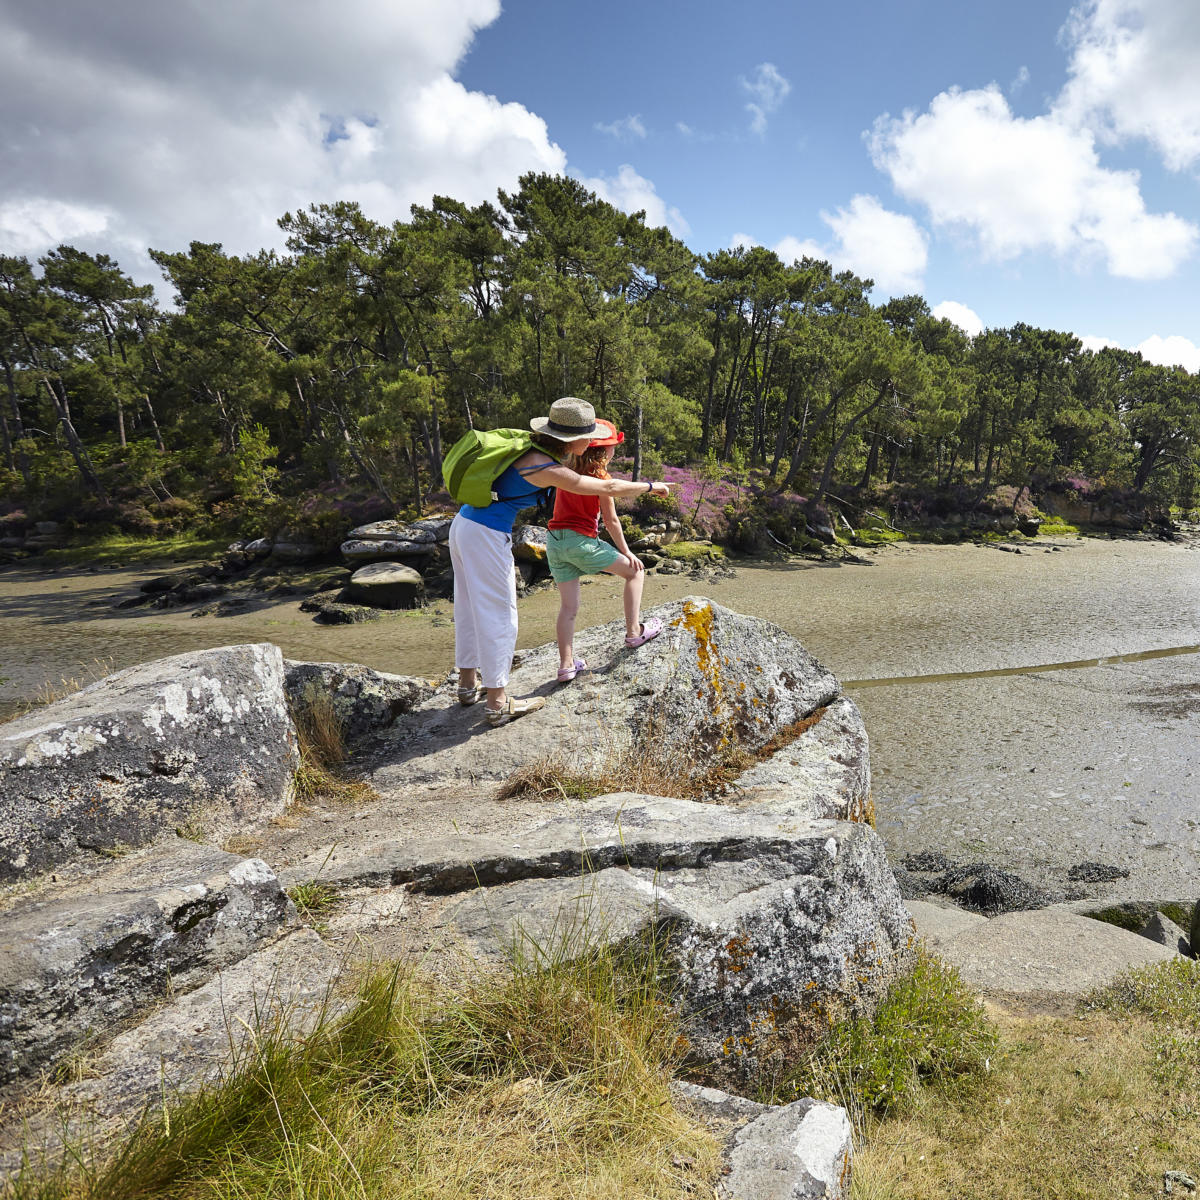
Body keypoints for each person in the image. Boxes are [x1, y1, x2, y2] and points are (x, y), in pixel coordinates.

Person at [450, 397, 672, 727]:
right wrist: (652, 486)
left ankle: (468, 685)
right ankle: (497, 704)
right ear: (574, 439)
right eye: (589, 435)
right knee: (501, 614)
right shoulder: (546, 467)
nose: (592, 441)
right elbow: (609, 486)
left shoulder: (532, 449)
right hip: (485, 533)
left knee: (468, 606)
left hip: (464, 525)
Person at [546, 418, 662, 683]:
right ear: (603, 450)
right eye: (612, 447)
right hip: (580, 542)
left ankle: (566, 666)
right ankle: (634, 632)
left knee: (568, 608)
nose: (614, 451)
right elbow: (611, 521)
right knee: (635, 573)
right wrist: (628, 552)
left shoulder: (566, 471)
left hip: (554, 542)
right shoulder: (600, 478)